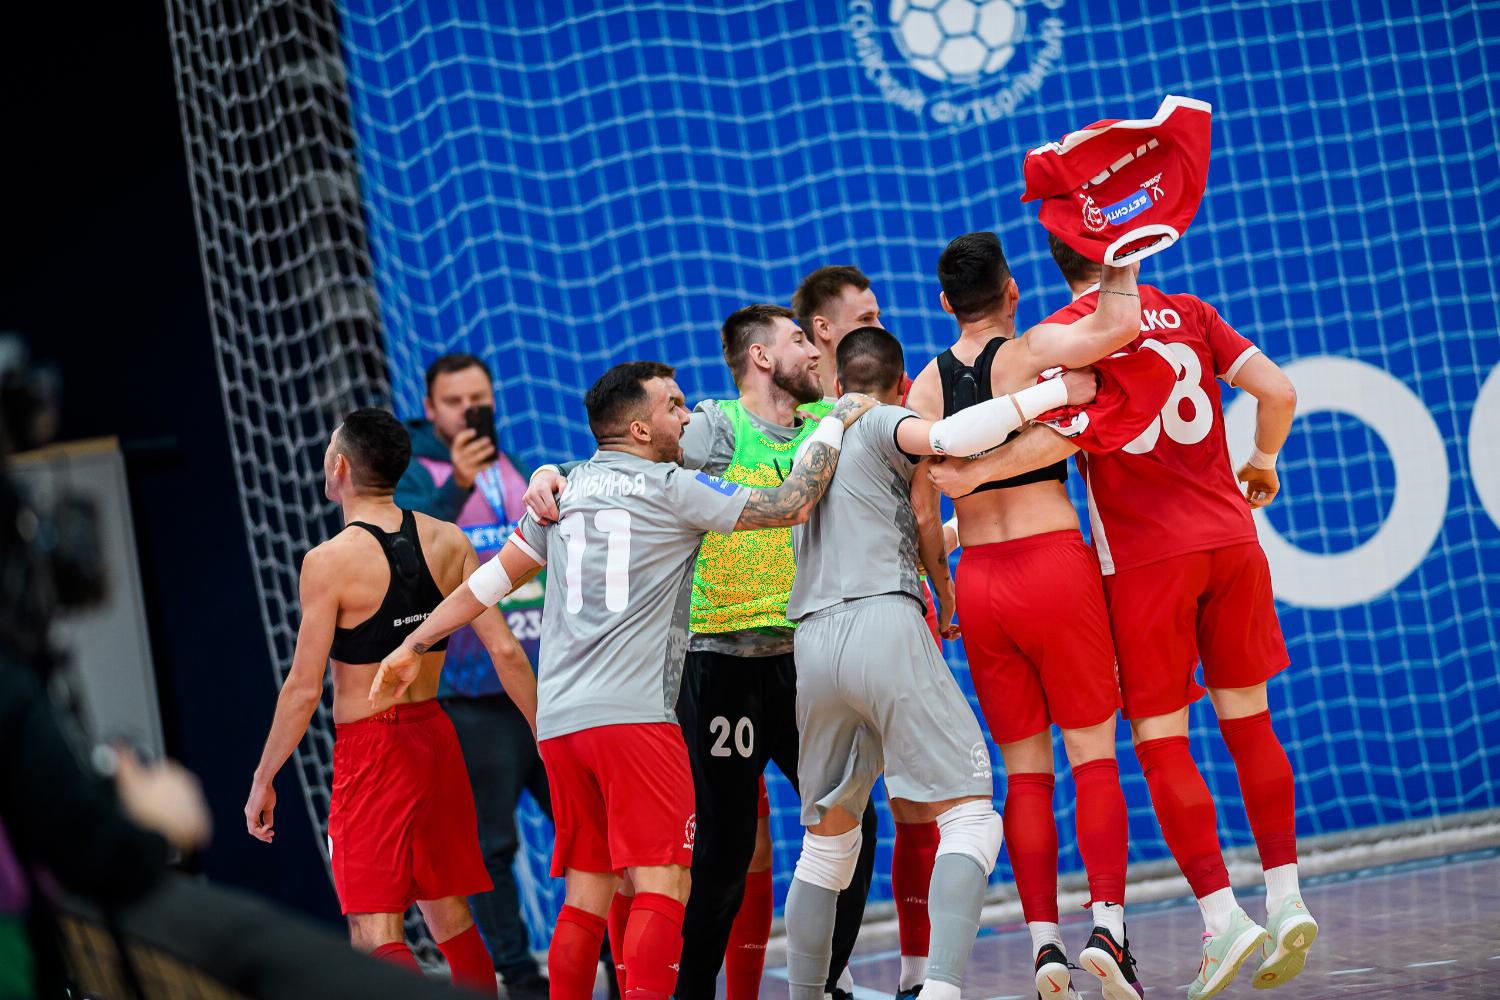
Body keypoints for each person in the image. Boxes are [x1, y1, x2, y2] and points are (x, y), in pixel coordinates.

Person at [374, 362, 878, 1000]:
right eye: (674, 406)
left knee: (587, 892)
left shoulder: (567, 490)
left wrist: (413, 643)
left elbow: (489, 581)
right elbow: (792, 505)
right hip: (635, 721)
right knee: (665, 884)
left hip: (560, 725)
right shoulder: (672, 487)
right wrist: (835, 422)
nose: (687, 417)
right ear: (640, 428)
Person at [932, 234, 1313, 999]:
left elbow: (1026, 446)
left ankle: (1206, 919)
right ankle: (1282, 898)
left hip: (1115, 566)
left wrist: (959, 496)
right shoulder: (1188, 313)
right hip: (1224, 538)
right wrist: (1263, 462)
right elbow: (1277, 393)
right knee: (1238, 727)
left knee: (1124, 753)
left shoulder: (1023, 351)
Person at [522, 309, 880, 1000]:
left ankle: (822, 984)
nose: (816, 351)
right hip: (720, 663)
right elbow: (625, 461)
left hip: (803, 658)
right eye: (800, 339)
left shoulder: (826, 421)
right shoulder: (716, 424)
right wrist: (552, 471)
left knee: (853, 819)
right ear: (761, 357)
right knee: (720, 853)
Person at [781, 326, 1100, 1000]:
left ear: (837, 384)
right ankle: (941, 990)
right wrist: (1050, 395)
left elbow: (905, 524)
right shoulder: (883, 420)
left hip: (812, 643)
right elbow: (949, 439)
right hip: (880, 623)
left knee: (826, 847)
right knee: (973, 817)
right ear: (901, 388)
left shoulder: (811, 443)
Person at [904, 233, 1145, 1000]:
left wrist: (943, 590)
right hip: (1053, 567)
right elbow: (1118, 326)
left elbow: (921, 512)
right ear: (1012, 290)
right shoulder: (1034, 350)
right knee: (1094, 758)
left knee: (1025, 777)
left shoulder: (923, 389)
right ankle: (1107, 928)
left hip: (980, 582)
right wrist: (1124, 242)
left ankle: (1045, 947)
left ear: (945, 303)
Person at [244, 408, 538, 995]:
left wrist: (263, 777)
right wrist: (542, 730)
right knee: (450, 918)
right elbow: (506, 651)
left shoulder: (328, 562)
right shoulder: (448, 538)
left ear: (340, 468)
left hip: (373, 752)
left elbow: (303, 689)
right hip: (437, 738)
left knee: (372, 930)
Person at [794, 266, 944, 992]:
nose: (882, 322)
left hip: (877, 612)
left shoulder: (894, 400)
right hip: (817, 624)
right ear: (824, 330)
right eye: (868, 314)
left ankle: (913, 972)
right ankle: (840, 973)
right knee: (834, 818)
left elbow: (923, 509)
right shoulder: (789, 411)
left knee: (908, 801)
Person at [394, 353, 551, 998]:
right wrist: (457, 482)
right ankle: (519, 974)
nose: (469, 411)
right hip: (472, 695)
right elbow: (406, 552)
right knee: (491, 848)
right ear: (430, 408)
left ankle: (612, 959)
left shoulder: (517, 465)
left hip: (547, 686)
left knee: (589, 831)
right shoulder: (416, 473)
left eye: (478, 399)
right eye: (455, 402)